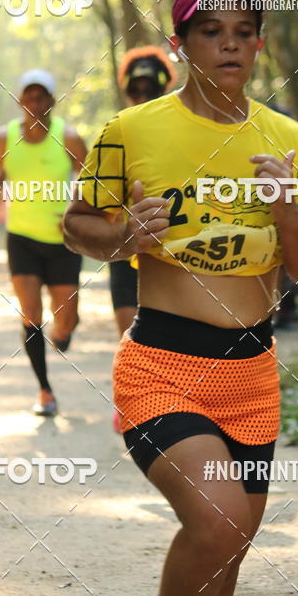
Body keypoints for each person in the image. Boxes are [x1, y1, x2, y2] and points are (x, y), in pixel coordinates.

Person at [64, 0, 298, 596]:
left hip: (251, 372)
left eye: (245, 32)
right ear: (182, 44)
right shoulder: (132, 130)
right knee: (217, 522)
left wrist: (285, 204)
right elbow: (76, 223)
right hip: (162, 363)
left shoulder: (287, 140)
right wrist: (123, 239)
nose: (231, 45)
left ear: (258, 44)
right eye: (212, 32)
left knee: (233, 544)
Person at [0, 70, 87, 417]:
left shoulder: (70, 138)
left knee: (66, 319)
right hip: (23, 238)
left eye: (41, 96)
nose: (34, 103)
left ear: (51, 101)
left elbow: (92, 186)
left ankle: (65, 331)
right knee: (31, 314)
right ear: (20, 101)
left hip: (63, 241)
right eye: (28, 96)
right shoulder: (4, 139)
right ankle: (45, 391)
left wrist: (78, 213)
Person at [110, 47, 176, 431]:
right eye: (136, 90)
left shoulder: (186, 127)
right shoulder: (117, 129)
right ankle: (132, 399)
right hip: (127, 245)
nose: (142, 96)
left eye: (150, 89)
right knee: (129, 331)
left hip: (175, 251)